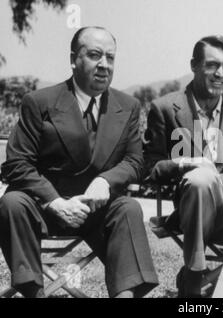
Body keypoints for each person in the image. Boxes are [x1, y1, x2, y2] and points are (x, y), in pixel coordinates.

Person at [0, 26, 159, 298]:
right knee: (12, 202)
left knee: (129, 208)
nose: (104, 65)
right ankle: (33, 292)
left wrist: (104, 181)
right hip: (44, 209)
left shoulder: (128, 106)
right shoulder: (39, 102)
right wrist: (55, 201)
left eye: (110, 57)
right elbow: (16, 164)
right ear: (73, 59)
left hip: (98, 210)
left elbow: (135, 161)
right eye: (95, 55)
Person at [144, 35, 223, 297]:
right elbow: (149, 168)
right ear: (194, 65)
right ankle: (194, 272)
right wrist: (185, 164)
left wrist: (214, 180)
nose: (220, 74)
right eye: (212, 65)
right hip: (192, 212)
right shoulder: (165, 108)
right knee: (200, 179)